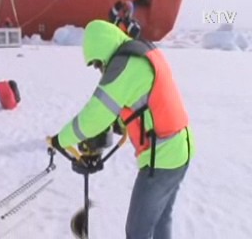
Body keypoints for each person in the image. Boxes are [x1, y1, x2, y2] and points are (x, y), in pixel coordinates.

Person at [47, 20, 195, 239]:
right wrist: (121, 121)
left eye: (98, 64)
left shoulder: (125, 66)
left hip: (161, 159)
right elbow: (145, 101)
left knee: (137, 231)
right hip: (181, 148)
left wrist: (61, 139)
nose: (100, 69)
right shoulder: (141, 52)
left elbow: (92, 119)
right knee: (161, 219)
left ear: (103, 49)